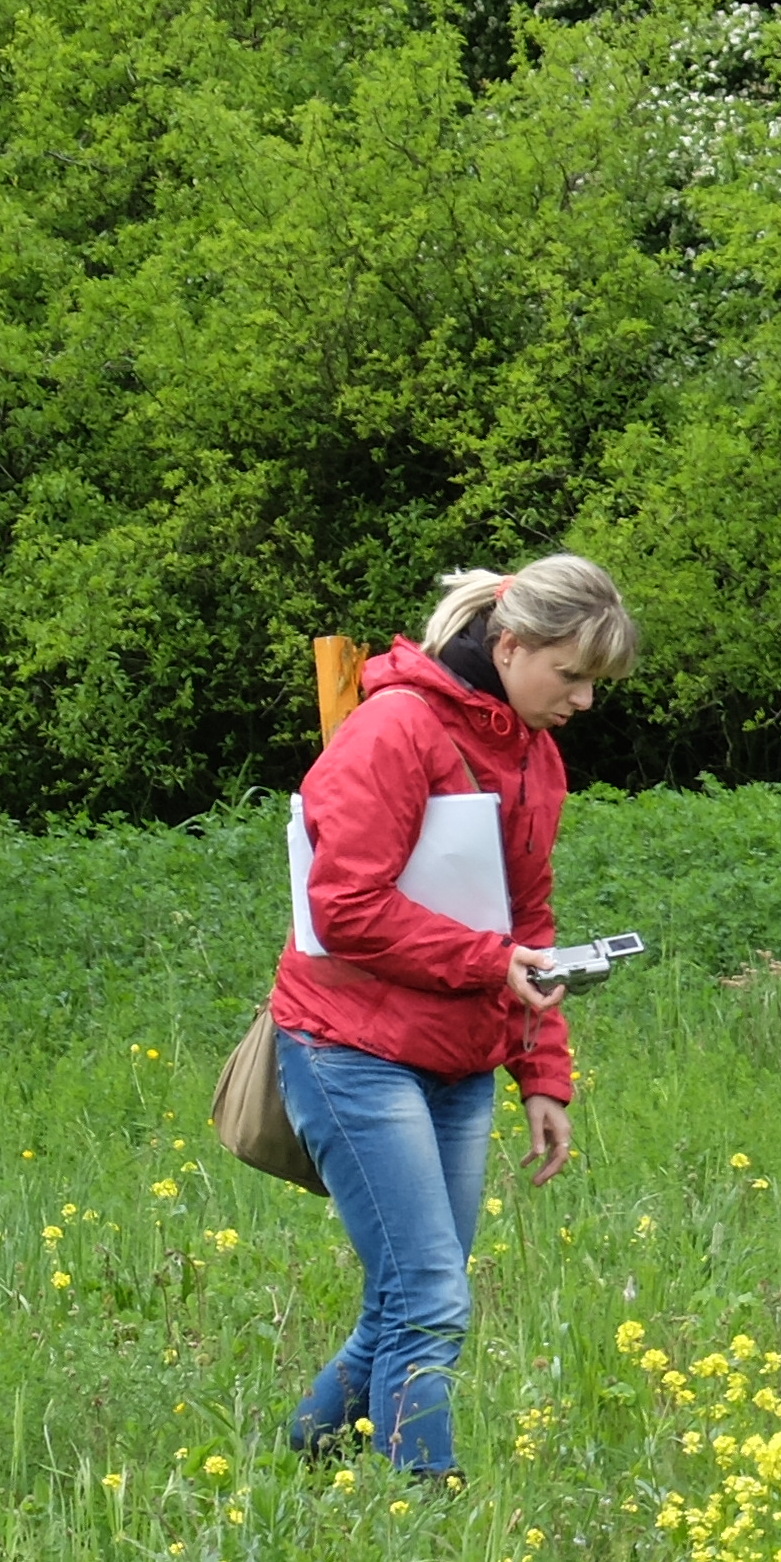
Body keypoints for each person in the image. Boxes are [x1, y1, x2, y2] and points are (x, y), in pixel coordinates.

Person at [273, 556, 639, 1481]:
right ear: (510, 646)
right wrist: (490, 961)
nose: (586, 700)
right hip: (350, 1047)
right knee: (429, 1298)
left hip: (460, 1055)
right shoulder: (394, 728)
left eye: (597, 681)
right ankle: (424, 1510)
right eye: (572, 675)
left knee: (406, 1298)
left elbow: (530, 926)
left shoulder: (533, 753)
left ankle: (297, 1464)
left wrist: (543, 1074)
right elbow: (343, 907)